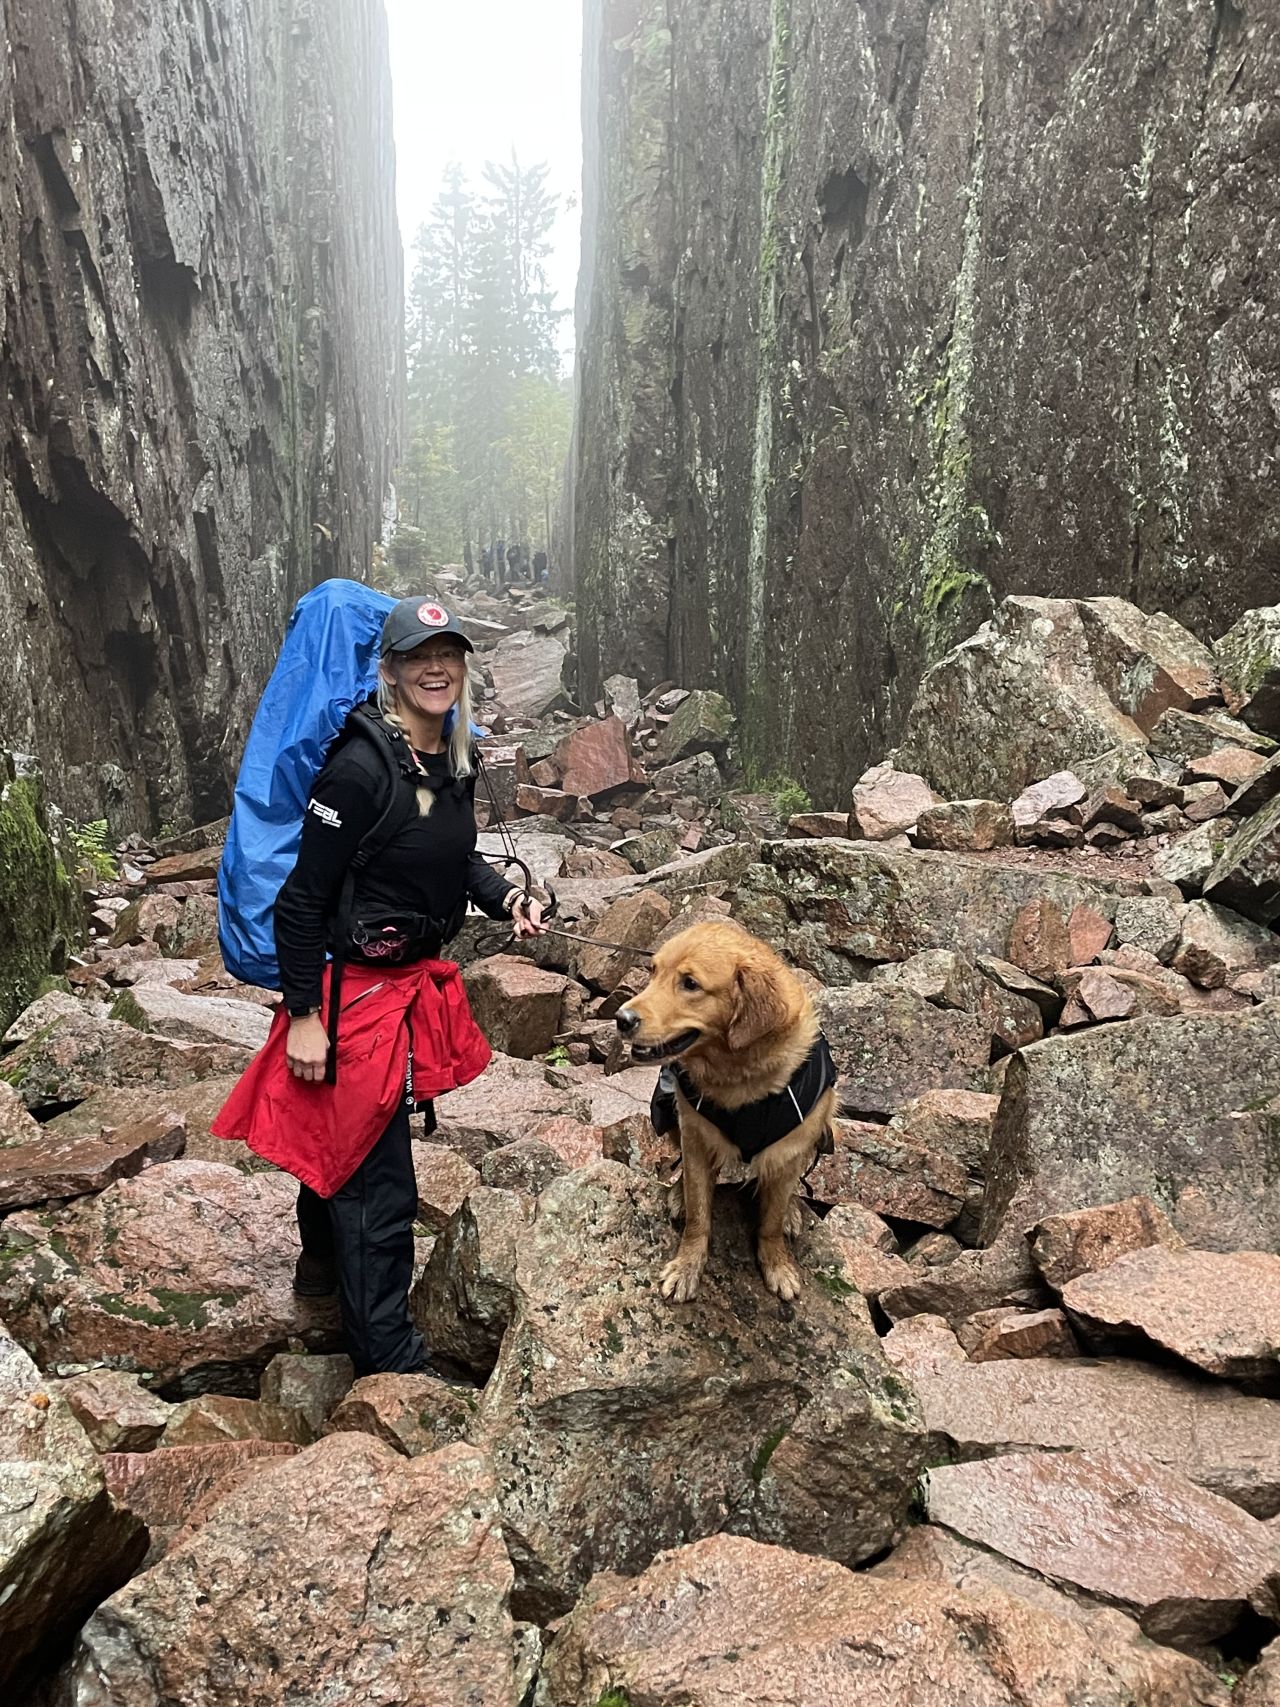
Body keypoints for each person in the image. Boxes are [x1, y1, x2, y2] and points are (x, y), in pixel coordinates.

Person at [212, 598, 546, 1376]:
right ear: (389, 671)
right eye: (418, 655)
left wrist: (508, 900)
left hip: (400, 984)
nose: (437, 667)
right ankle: (387, 1359)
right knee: (379, 1180)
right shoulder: (358, 770)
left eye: (449, 654)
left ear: (463, 667)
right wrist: (302, 1015)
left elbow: (452, 857)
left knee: (344, 1144)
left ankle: (321, 1275)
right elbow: (301, 899)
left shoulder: (451, 757)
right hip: (350, 991)